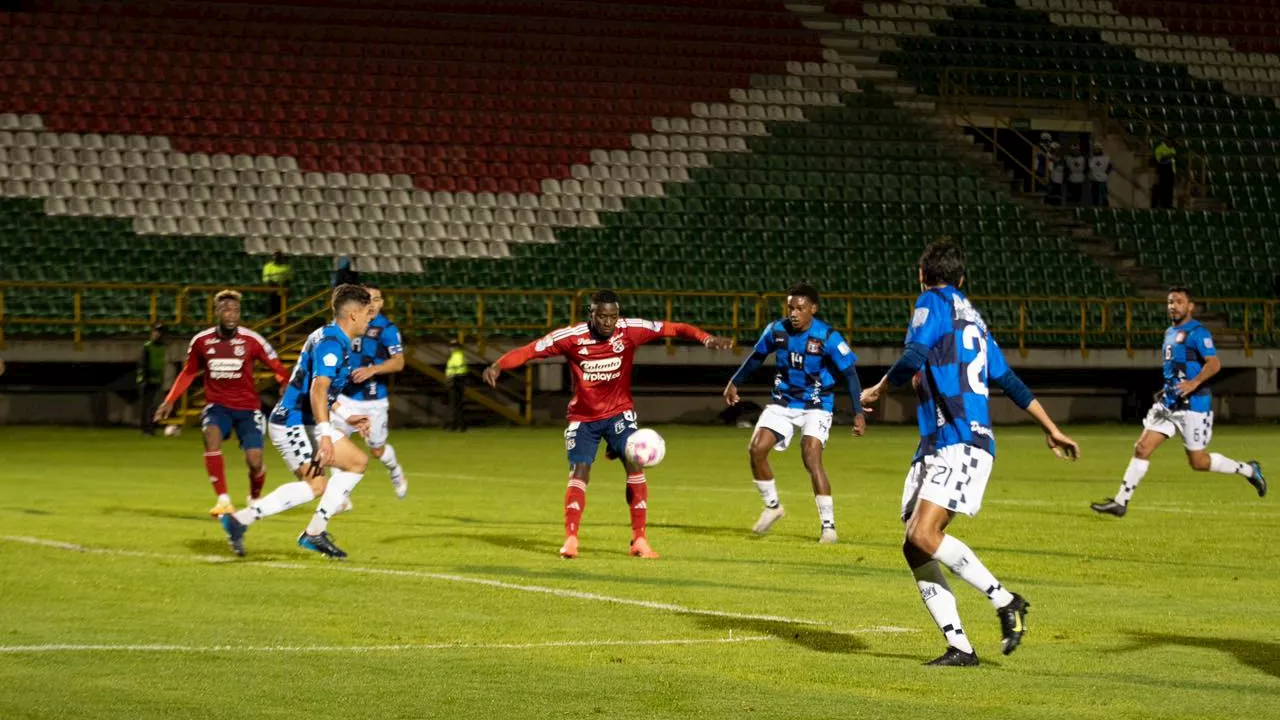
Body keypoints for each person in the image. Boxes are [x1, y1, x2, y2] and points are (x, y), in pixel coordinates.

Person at [860, 240, 1080, 667]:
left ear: (922, 275)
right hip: (943, 443)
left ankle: (1006, 600)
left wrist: (881, 388)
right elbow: (1008, 379)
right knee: (915, 546)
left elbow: (913, 355)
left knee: (923, 536)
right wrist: (1050, 428)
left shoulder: (932, 303)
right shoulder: (974, 319)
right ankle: (960, 646)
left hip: (958, 441)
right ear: (962, 279)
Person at [482, 290, 734, 559]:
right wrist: (499, 366)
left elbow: (675, 328)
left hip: (619, 414)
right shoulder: (570, 337)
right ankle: (571, 539)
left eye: (613, 316)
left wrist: (706, 339)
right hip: (583, 418)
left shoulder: (630, 330)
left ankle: (639, 540)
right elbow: (531, 350)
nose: (608, 322)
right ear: (591, 314)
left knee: (634, 465)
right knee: (580, 471)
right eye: (602, 316)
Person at [219, 284, 375, 559]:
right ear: (352, 314)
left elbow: (321, 390)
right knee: (317, 486)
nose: (369, 319)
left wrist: (345, 415)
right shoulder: (331, 344)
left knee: (356, 463)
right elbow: (317, 389)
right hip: (292, 422)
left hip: (307, 420)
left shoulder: (331, 337)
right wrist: (326, 435)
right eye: (366, 313)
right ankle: (241, 520)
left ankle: (312, 532)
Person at [1091, 287, 1266, 517]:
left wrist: (1193, 384)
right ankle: (1121, 502)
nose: (1173, 306)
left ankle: (1249, 470)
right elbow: (1178, 368)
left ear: (1190, 306)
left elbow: (1214, 365)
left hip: (1194, 406)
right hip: (1170, 403)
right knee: (1142, 448)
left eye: (1179, 301)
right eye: (1170, 302)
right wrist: (1166, 389)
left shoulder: (1198, 332)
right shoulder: (1169, 333)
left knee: (1199, 462)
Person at [722, 284, 867, 544]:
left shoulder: (827, 336)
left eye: (800, 308)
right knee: (756, 449)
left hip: (817, 404)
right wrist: (735, 381)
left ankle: (828, 527)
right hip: (784, 401)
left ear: (813, 308)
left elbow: (850, 373)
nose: (794, 313)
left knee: (811, 457)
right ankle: (773, 507)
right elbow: (756, 357)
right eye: (790, 307)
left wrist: (858, 412)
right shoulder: (776, 330)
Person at [155, 290, 290, 516]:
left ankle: (255, 498)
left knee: (255, 462)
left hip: (248, 408)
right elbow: (188, 373)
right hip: (218, 406)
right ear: (216, 311)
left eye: (236, 310)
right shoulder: (201, 341)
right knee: (211, 436)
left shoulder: (252, 340)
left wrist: (283, 382)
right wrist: (170, 400)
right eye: (226, 309)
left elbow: (277, 367)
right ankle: (223, 500)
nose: (231, 315)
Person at [331, 283, 408, 498]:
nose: (373, 304)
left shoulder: (387, 329)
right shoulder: (347, 323)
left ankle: (395, 471)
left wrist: (372, 369)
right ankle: (339, 498)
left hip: (374, 401)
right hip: (345, 397)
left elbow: (399, 362)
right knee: (334, 442)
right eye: (369, 299)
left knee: (376, 450)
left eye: (378, 299)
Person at [137, 323, 166, 436]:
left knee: (153, 406)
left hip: (157, 379)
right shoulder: (148, 346)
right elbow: (142, 364)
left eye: (159, 332)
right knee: (147, 405)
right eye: (156, 331)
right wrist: (142, 379)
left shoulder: (162, 347)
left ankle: (151, 427)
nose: (157, 334)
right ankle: (146, 429)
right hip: (147, 379)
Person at [261, 251, 292, 329]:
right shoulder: (268, 266)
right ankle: (269, 327)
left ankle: (280, 329)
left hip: (283, 292)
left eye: (279, 256)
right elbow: (267, 279)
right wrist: (276, 286)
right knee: (271, 310)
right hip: (272, 291)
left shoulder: (287, 267)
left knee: (281, 311)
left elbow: (289, 279)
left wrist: (283, 286)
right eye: (275, 256)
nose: (277, 258)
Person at [445, 339, 468, 432]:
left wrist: (451, 378)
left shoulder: (457, 356)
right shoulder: (457, 356)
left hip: (456, 381)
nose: (451, 348)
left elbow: (458, 370)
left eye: (453, 346)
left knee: (455, 405)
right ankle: (459, 425)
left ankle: (455, 425)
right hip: (457, 381)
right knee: (458, 404)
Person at [1153, 137, 1176, 209]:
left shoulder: (1172, 149)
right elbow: (1159, 160)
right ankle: (1161, 205)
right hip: (1163, 172)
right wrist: (1169, 156)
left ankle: (1169, 205)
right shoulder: (1159, 149)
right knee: (1162, 189)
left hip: (1171, 172)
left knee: (1170, 190)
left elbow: (1174, 161)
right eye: (1170, 142)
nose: (1171, 144)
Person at [1088, 141, 1113, 207]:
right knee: (1094, 194)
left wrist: (1106, 174)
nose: (1095, 150)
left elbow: (1110, 167)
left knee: (1103, 194)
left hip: (1102, 179)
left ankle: (1105, 207)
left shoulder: (1106, 157)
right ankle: (1095, 206)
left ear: (1100, 149)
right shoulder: (1091, 158)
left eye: (1097, 149)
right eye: (1094, 149)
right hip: (1094, 178)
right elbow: (1089, 168)